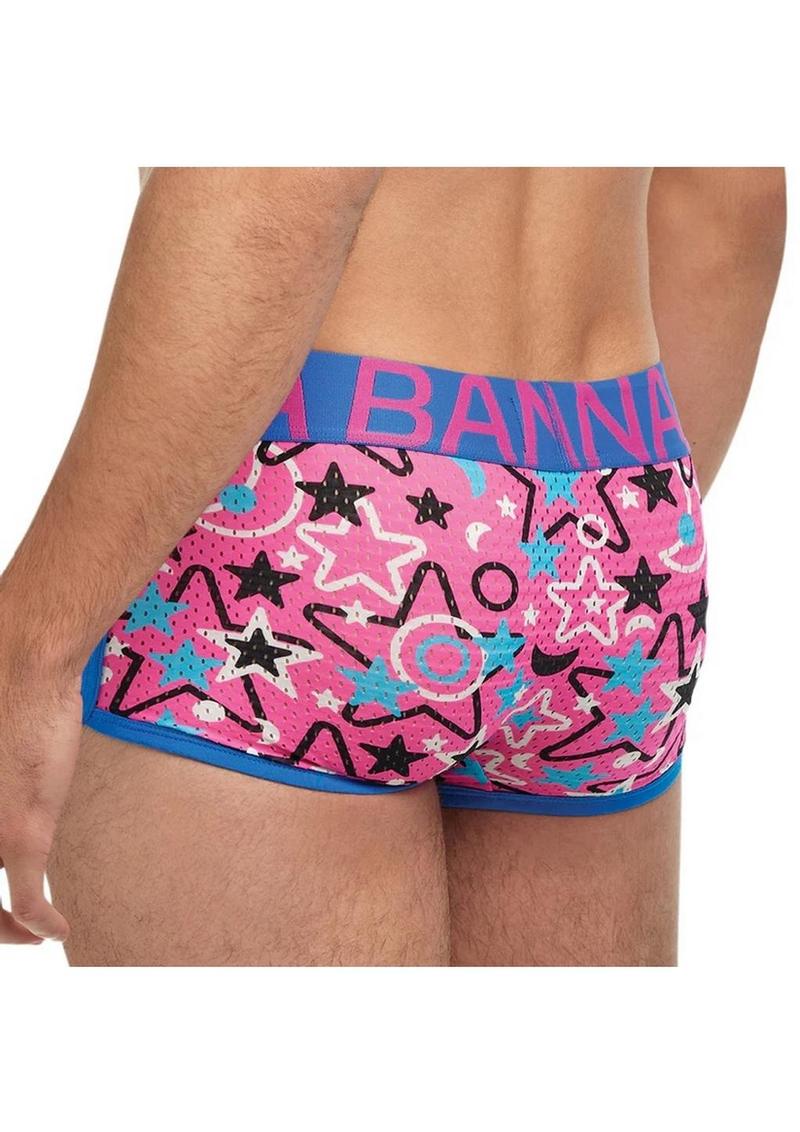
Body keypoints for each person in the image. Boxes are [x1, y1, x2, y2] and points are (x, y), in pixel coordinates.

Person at [0, 167, 785, 966]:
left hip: (329, 495)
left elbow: (276, 185)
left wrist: (29, 648)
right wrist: (612, 525)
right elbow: (729, 201)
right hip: (623, 507)